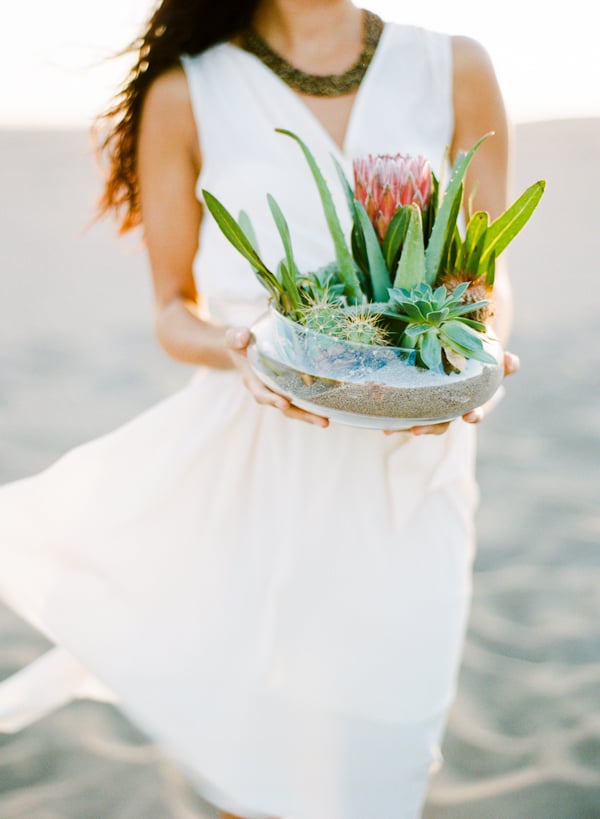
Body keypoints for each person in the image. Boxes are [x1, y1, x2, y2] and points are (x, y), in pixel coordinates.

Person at [0, 1, 519, 817]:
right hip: (255, 465)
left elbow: (485, 280)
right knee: (264, 766)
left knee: (388, 761)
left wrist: (479, 363)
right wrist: (242, 350)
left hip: (414, 467)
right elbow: (173, 310)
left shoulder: (453, 65)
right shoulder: (189, 91)